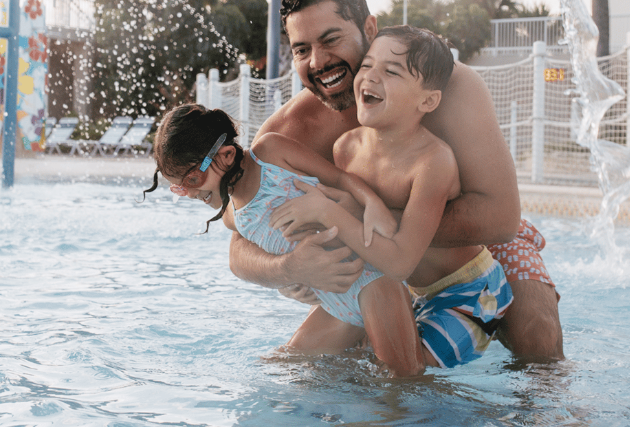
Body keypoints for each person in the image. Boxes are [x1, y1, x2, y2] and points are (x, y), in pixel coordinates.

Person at [230, 0, 565, 362]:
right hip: (377, 262)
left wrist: (363, 219)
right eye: (302, 49)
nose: (318, 62)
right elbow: (239, 237)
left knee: (537, 339)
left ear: (369, 28)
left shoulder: (446, 88)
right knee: (312, 366)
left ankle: (549, 414)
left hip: (473, 251)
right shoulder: (292, 134)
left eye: (331, 39)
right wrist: (288, 267)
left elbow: (502, 217)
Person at [269, 25, 514, 367]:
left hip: (469, 292)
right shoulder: (346, 148)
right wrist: (304, 272)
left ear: (427, 100)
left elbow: (401, 260)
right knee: (292, 360)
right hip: (405, 291)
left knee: (405, 374)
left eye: (391, 71)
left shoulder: (433, 161)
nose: (370, 77)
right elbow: (354, 230)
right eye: (367, 65)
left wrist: (328, 212)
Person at [145, 104, 429, 376]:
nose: (191, 193)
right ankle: (361, 345)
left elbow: (340, 179)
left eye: (193, 180)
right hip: (335, 304)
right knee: (281, 367)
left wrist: (372, 203)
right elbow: (262, 259)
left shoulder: (271, 153)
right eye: (179, 188)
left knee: (403, 383)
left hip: (371, 281)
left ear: (227, 155)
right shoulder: (233, 216)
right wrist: (289, 277)